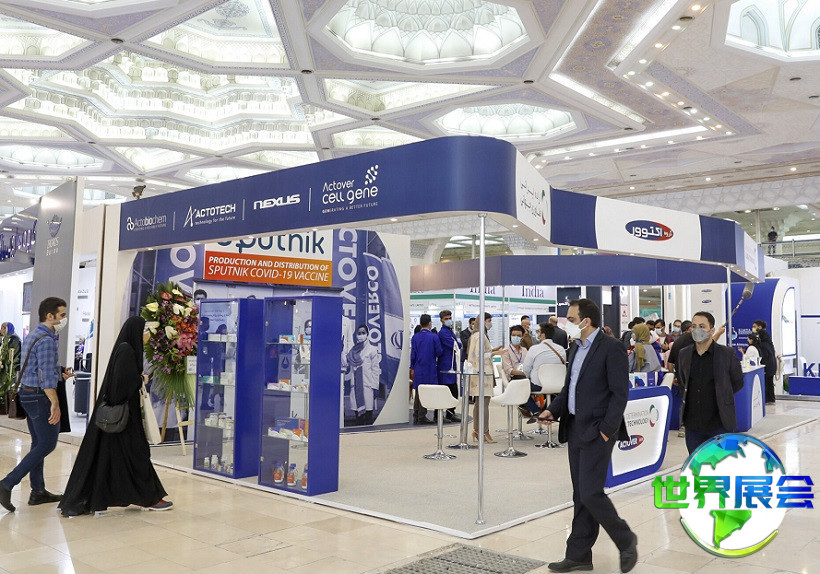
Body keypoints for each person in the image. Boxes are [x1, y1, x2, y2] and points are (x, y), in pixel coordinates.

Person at [536, 299, 637, 573]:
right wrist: (552, 410)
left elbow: (620, 393)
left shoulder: (612, 347)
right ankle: (579, 555)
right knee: (580, 494)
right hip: (575, 428)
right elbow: (570, 389)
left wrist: (606, 430)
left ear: (586, 320)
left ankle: (626, 539)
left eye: (570, 318)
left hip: (597, 431)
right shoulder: (575, 347)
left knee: (591, 493)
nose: (566, 323)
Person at [58, 317, 172, 516]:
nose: (146, 336)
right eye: (144, 331)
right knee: (138, 456)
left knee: (126, 460)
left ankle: (145, 496)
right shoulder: (127, 351)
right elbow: (119, 388)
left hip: (123, 420)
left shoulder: (124, 349)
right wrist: (140, 379)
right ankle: (150, 498)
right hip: (126, 419)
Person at [0, 297, 72, 513]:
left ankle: (38, 491)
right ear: (50, 316)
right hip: (40, 397)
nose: (64, 319)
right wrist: (55, 403)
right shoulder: (47, 340)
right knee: (47, 444)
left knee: (38, 442)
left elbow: (35, 366)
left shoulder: (34, 335)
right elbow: (46, 379)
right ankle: (7, 483)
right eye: (62, 315)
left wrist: (59, 372)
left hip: (27, 394)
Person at [676, 311, 744, 454]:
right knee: (697, 464)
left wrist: (723, 394)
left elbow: (737, 382)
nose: (697, 330)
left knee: (722, 463)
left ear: (712, 330)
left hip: (720, 423)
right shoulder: (684, 354)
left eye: (702, 326)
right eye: (694, 326)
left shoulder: (727, 354)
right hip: (693, 425)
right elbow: (683, 382)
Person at [521, 323, 566, 420]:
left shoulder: (534, 349)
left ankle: (536, 411)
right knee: (553, 393)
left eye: (538, 332)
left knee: (520, 388)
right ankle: (547, 411)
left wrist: (528, 378)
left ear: (543, 335)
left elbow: (526, 369)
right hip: (558, 386)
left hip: (538, 385)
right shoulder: (561, 350)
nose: (537, 334)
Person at [467, 312, 496, 443]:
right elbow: (480, 355)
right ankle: (484, 432)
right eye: (488, 321)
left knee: (478, 404)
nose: (490, 323)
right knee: (484, 404)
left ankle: (477, 430)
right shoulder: (480, 336)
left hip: (477, 372)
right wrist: (494, 353)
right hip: (483, 373)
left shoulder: (475, 335)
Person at [410, 314, 442, 425]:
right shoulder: (434, 337)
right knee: (426, 391)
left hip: (418, 367)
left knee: (418, 391)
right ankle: (422, 416)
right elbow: (439, 352)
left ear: (420, 323)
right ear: (429, 323)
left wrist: (412, 367)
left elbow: (413, 354)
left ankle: (416, 415)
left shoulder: (415, 337)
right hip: (430, 367)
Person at [346, 324, 381, 425]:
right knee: (358, 418)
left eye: (363, 333)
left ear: (367, 334)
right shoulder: (352, 351)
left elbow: (375, 369)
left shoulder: (372, 350)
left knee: (368, 417)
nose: (361, 335)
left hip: (367, 386)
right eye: (359, 333)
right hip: (356, 388)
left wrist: (375, 387)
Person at [437, 310, 461, 422]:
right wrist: (457, 343)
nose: (448, 320)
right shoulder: (443, 333)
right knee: (445, 391)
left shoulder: (450, 332)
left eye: (449, 318)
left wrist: (457, 343)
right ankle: (440, 414)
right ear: (441, 320)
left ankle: (450, 413)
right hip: (445, 366)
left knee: (454, 391)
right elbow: (454, 345)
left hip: (451, 365)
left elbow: (457, 344)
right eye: (446, 319)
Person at [752, 320, 777, 404]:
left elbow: (764, 353)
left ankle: (767, 399)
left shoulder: (763, 340)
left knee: (767, 382)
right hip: (771, 364)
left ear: (759, 327)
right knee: (769, 382)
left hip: (768, 365)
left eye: (754, 326)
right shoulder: (767, 340)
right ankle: (770, 399)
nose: (753, 328)